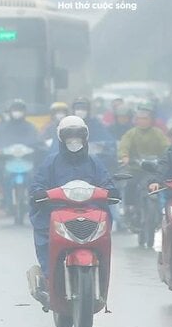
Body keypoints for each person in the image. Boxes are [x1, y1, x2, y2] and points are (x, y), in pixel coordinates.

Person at [28, 116, 116, 305]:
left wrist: (112, 190)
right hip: (57, 212)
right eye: (69, 137)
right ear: (61, 139)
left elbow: (106, 181)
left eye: (78, 137)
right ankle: (48, 276)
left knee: (106, 229)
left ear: (85, 139)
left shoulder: (94, 161)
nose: (74, 142)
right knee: (44, 234)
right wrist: (38, 194)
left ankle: (100, 274)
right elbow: (38, 184)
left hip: (90, 212)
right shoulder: (51, 162)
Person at [118, 103, 170, 214]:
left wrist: (169, 156)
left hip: (154, 170)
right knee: (130, 184)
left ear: (151, 120)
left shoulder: (158, 133)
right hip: (136, 169)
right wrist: (124, 156)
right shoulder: (131, 133)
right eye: (139, 119)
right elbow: (124, 146)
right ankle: (129, 208)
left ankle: (166, 210)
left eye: (145, 119)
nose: (142, 121)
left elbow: (167, 147)